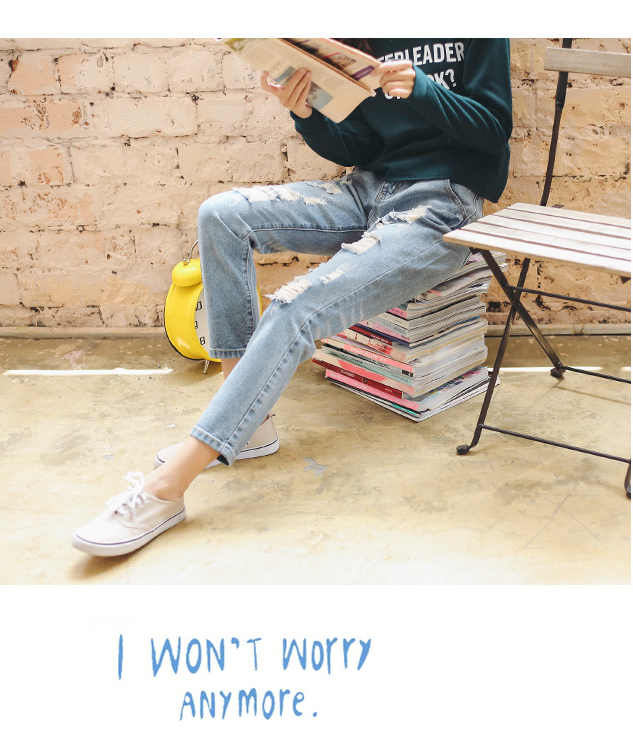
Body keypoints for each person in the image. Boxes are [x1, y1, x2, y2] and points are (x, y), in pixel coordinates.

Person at [72, 38, 513, 557]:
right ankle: (250, 424)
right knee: (221, 215)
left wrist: (422, 91)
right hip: (367, 191)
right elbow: (359, 149)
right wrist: (306, 113)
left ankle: (166, 489)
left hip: (441, 205)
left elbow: (494, 130)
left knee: (294, 304)